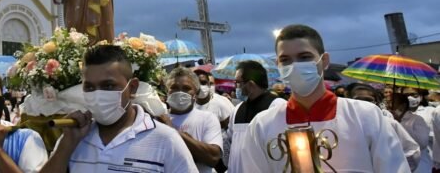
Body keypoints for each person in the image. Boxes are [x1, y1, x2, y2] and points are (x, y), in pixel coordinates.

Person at [240, 24, 410, 172]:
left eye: (304, 57)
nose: (294, 65)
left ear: (324, 60)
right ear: (278, 65)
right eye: (285, 60)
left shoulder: (365, 116)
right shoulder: (262, 125)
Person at [39, 45, 199, 172]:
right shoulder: (73, 139)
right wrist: (66, 146)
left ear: (133, 88)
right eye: (89, 87)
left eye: (108, 86)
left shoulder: (166, 140)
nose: (97, 94)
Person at [226, 60, 285, 173]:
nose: (236, 87)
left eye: (238, 83)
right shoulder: (237, 110)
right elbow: (231, 144)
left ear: (251, 85)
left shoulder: (277, 106)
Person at [347, 83, 421, 171]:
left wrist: (397, 167)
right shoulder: (344, 125)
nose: (364, 104)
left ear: (376, 102)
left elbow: (412, 151)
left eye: (369, 100)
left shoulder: (388, 123)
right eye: (359, 100)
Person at [164, 66, 222, 173]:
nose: (180, 92)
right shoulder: (159, 119)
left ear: (195, 93)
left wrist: (172, 130)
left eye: (186, 88)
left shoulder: (207, 118)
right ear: (167, 91)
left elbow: (213, 158)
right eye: (174, 87)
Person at [393, 92, 433, 172]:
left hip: (419, 165)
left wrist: (400, 127)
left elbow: (423, 143)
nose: (389, 106)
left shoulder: (417, 119)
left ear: (403, 106)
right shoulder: (390, 119)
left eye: (392, 103)